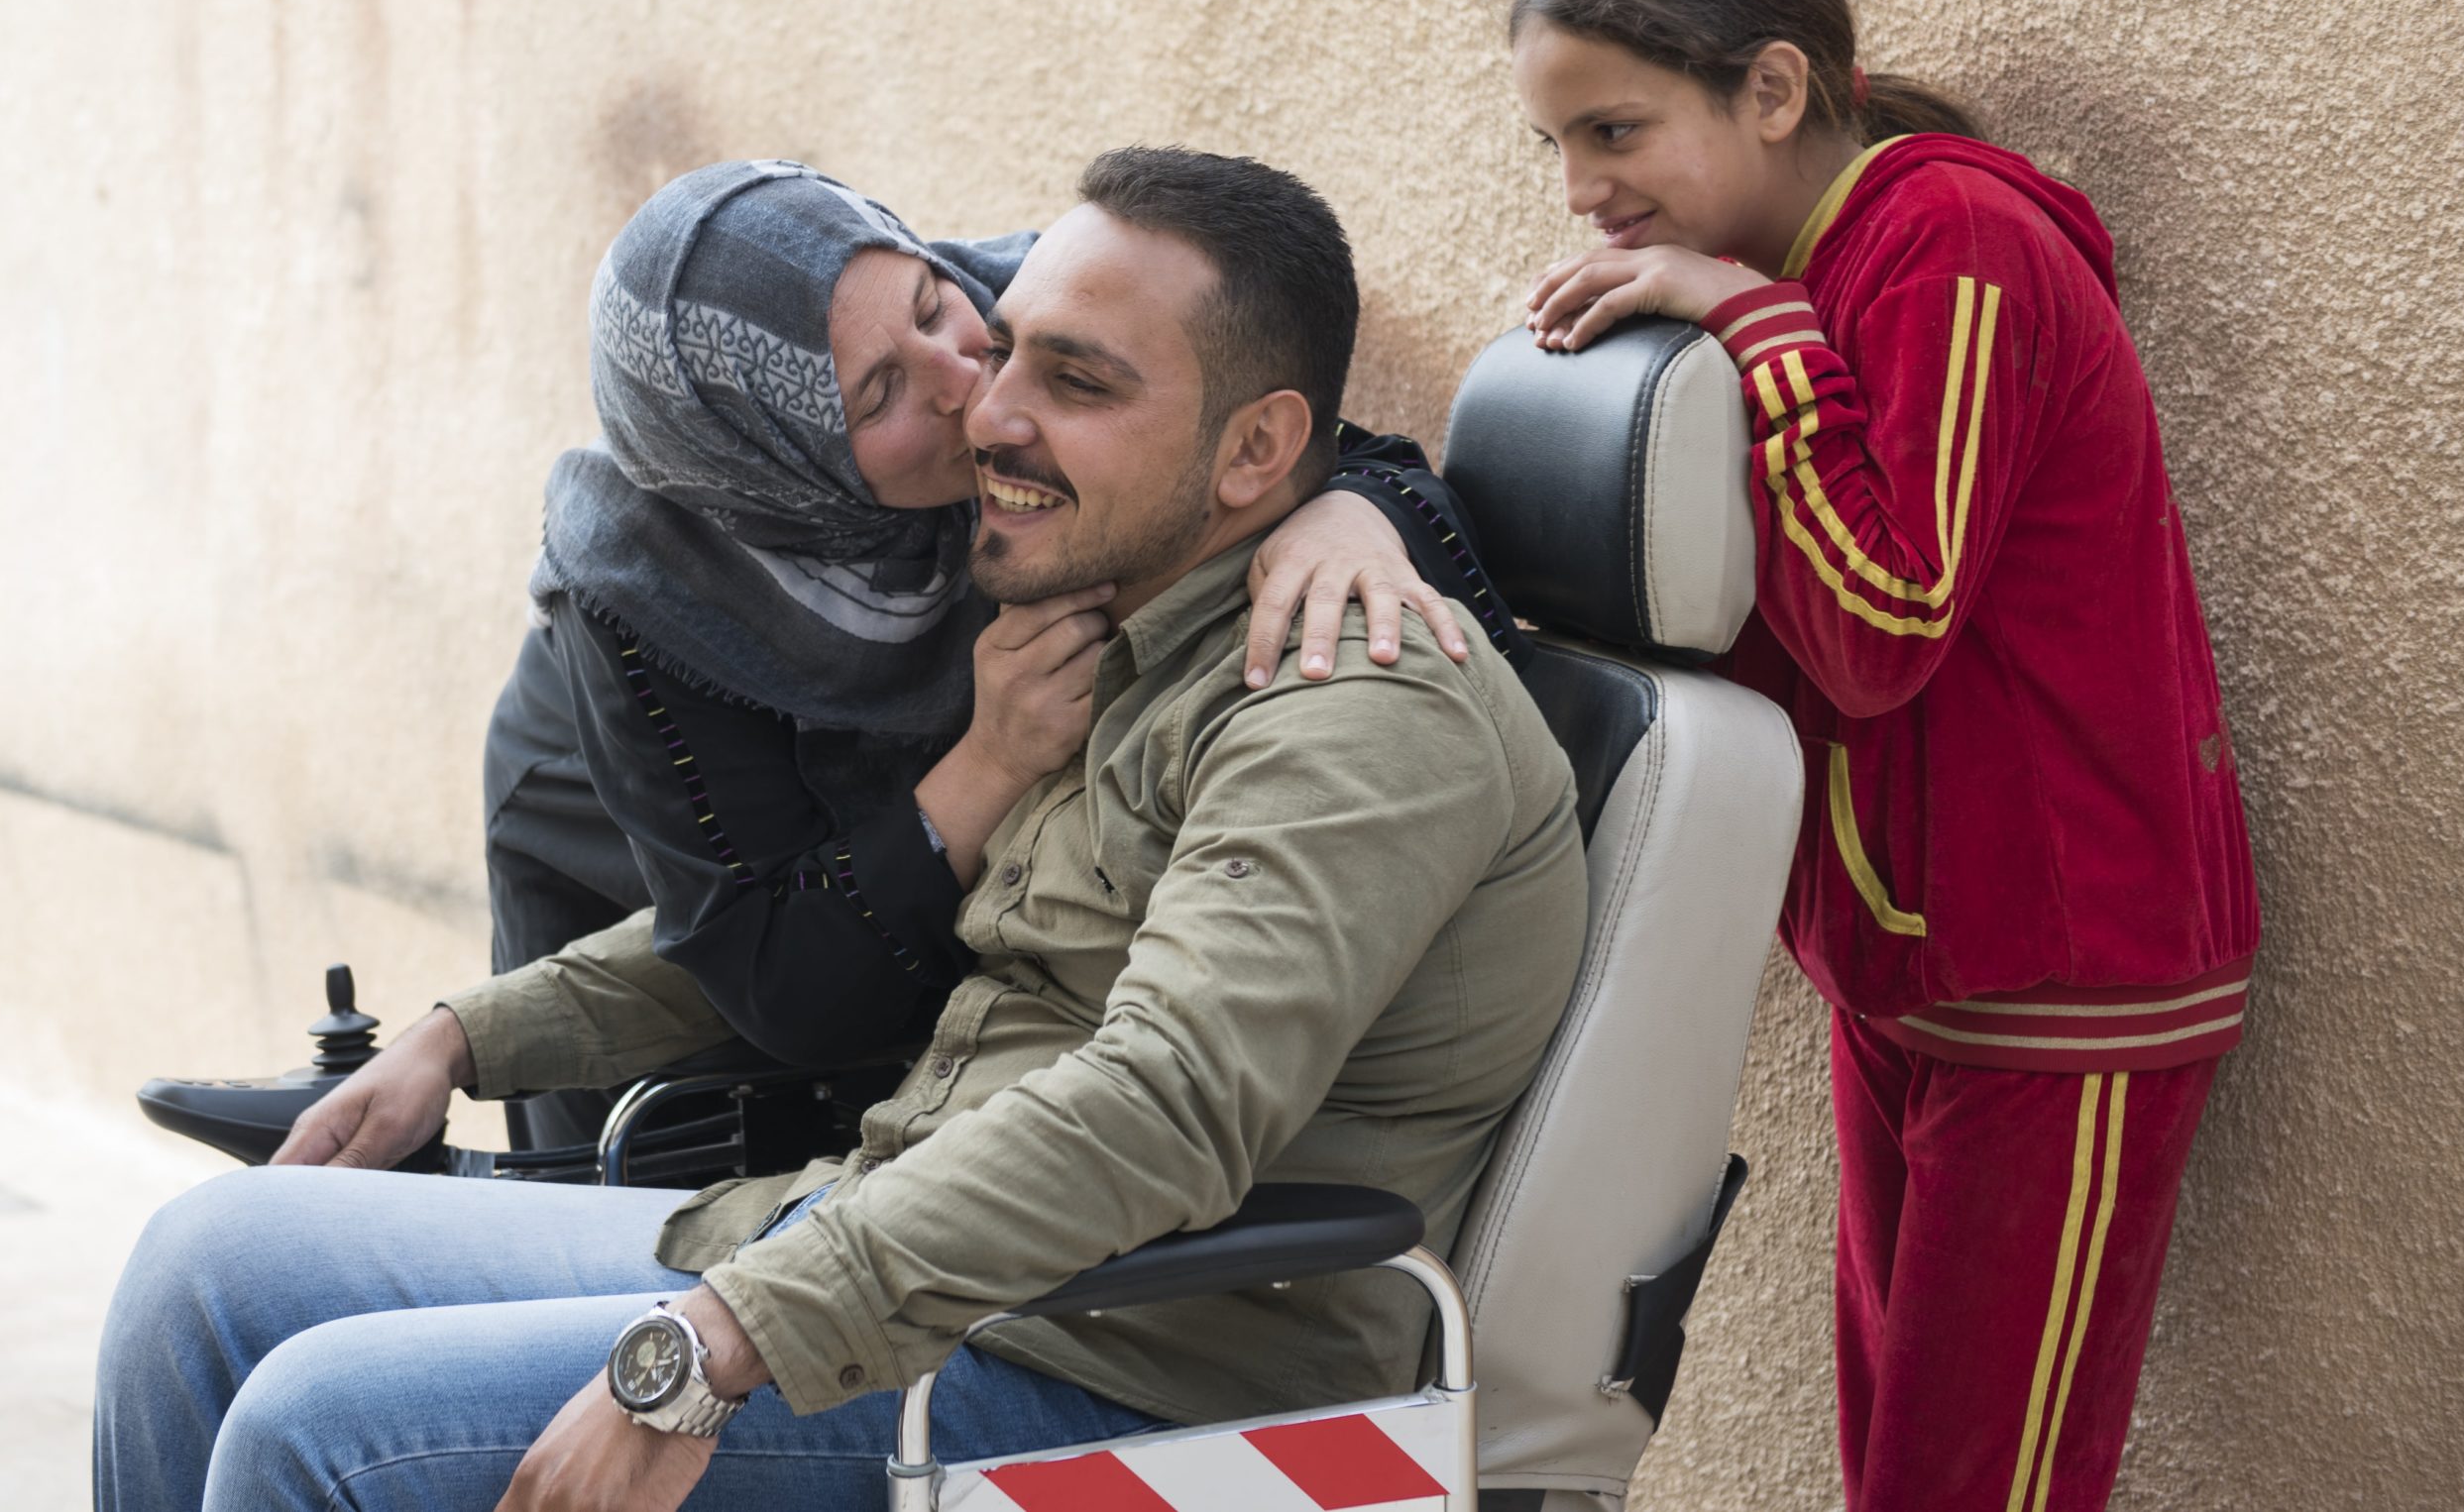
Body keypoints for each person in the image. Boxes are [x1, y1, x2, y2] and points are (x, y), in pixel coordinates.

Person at [94, 147, 1588, 1512]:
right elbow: (776, 922)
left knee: (316, 1428)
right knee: (206, 1273)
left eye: (1073, 379)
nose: (983, 408)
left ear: (1257, 454)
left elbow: (1169, 1101)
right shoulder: (1107, 637)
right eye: (1006, 342)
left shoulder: (1348, 707)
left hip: (1125, 1368)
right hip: (897, 1248)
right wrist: (467, 1036)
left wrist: (726, 1337)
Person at [1511, 0, 2259, 1512]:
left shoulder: (1950, 243)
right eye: (1558, 144)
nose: (1580, 185)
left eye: (1615, 132)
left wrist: (1757, 328)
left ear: (1772, 89)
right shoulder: (1785, 266)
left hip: (2064, 983)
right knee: (1902, 1473)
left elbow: (1882, 617)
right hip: (1911, 973)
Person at [434, 161, 1515, 1152]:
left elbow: (1266, 443)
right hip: (605, 834)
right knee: (629, 1160)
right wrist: (988, 761)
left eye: (931, 303)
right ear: (777, 464)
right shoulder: (649, 596)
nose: (971, 385)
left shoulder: (1022, 312)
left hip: (979, 1145)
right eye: (879, 394)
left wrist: (1354, 513)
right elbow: (773, 979)